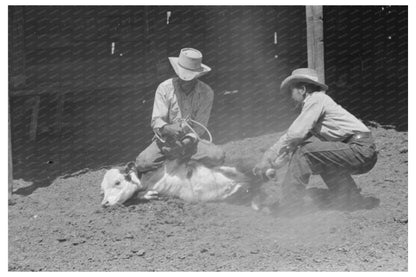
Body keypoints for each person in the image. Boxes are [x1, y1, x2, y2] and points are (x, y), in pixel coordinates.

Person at [254, 68, 378, 211]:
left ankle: (289, 206)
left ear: (302, 89)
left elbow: (295, 135)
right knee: (317, 156)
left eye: (291, 91)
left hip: (360, 149)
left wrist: (269, 154)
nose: (290, 96)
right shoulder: (316, 106)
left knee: (305, 151)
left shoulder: (316, 99)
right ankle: (350, 200)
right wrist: (272, 162)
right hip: (361, 151)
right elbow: (292, 144)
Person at [135, 48, 225, 173]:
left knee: (217, 156)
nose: (184, 81)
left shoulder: (206, 92)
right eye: (182, 76)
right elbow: (156, 121)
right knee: (142, 163)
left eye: (189, 78)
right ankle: (183, 164)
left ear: (197, 76)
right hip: (166, 141)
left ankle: (176, 165)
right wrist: (168, 129)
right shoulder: (164, 88)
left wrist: (186, 142)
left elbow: (200, 126)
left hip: (192, 142)